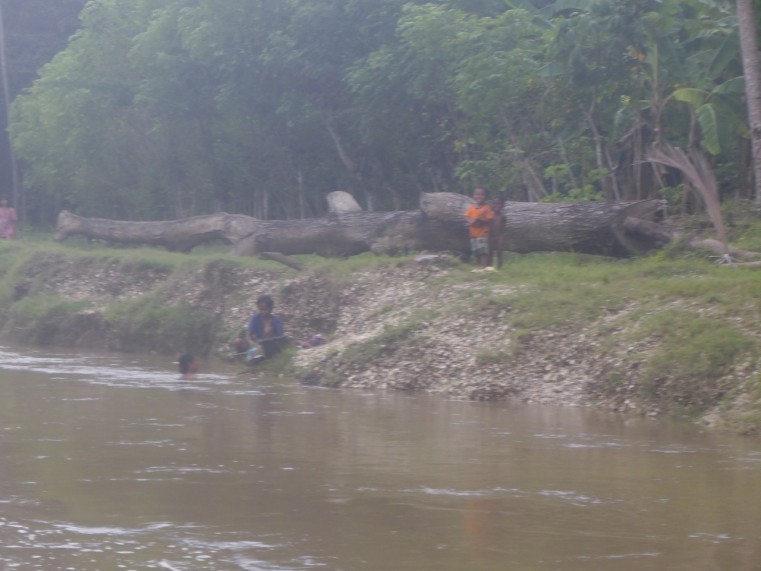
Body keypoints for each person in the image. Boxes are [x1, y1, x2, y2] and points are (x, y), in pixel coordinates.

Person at [246, 294, 286, 359]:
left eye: (265, 309)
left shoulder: (276, 321)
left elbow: (280, 340)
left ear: (270, 309)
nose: (263, 312)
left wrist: (269, 336)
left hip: (273, 349)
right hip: (259, 347)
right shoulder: (255, 318)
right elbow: (248, 336)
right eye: (260, 309)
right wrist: (255, 345)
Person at [464, 187, 494, 271]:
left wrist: (481, 220)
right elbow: (466, 216)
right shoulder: (471, 207)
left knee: (483, 251)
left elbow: (489, 220)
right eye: (477, 194)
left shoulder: (486, 208)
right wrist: (470, 222)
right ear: (473, 196)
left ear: (485, 196)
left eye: (482, 194)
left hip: (482, 234)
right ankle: (478, 265)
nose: (479, 196)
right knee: (476, 251)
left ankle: (483, 266)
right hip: (473, 234)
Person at [489, 194, 506, 269]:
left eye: (498, 203)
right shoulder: (490, 215)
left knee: (499, 252)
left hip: (499, 236)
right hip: (491, 236)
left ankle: (499, 267)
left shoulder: (503, 216)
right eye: (494, 203)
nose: (496, 205)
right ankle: (490, 266)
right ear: (492, 205)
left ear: (502, 205)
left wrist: (501, 236)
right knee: (490, 252)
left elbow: (503, 227)